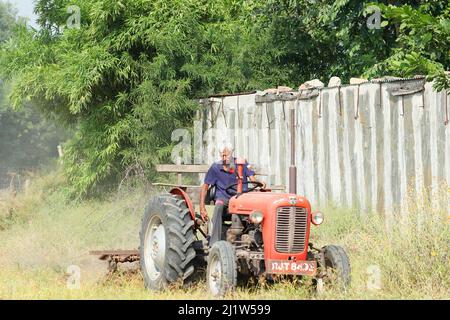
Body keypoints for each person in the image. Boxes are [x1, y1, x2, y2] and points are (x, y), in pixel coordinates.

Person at [199, 145, 265, 246]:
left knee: (257, 210)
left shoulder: (241, 164)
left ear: (232, 154)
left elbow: (253, 179)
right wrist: (202, 207)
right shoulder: (215, 167)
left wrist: (260, 184)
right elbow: (205, 186)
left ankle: (257, 239)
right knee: (218, 206)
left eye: (227, 155)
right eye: (223, 155)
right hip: (224, 199)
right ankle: (214, 242)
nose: (225, 158)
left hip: (242, 198)